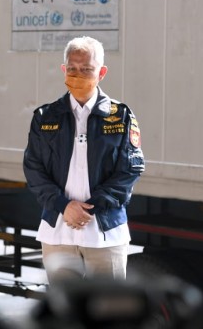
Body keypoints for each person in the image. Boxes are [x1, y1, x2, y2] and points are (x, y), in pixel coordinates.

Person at [23, 36, 145, 284]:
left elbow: (129, 170)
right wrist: (63, 206)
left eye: (86, 69)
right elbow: (33, 168)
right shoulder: (45, 116)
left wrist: (90, 209)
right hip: (57, 233)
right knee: (64, 315)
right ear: (63, 70)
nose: (78, 75)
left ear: (101, 72)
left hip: (105, 233)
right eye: (72, 69)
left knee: (109, 314)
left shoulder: (120, 116)